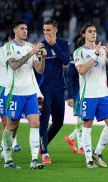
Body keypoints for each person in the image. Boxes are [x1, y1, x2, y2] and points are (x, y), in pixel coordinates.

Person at [1, 20, 46, 169]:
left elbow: (39, 70)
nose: (25, 31)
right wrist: (31, 53)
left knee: (35, 123)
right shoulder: (9, 47)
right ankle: (7, 158)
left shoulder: (29, 46)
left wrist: (43, 58)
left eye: (26, 28)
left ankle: (34, 160)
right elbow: (14, 66)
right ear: (14, 30)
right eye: (22, 28)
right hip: (15, 93)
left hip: (30, 93)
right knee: (12, 125)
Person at [73, 23, 108, 168]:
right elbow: (81, 70)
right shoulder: (79, 52)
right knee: (87, 125)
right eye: (90, 31)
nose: (93, 33)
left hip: (103, 94)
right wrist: (95, 54)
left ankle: (97, 152)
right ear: (83, 35)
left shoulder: (103, 51)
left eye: (94, 31)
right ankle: (88, 160)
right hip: (88, 95)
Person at [37, 19, 71, 165]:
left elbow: (65, 61)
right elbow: (37, 69)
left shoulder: (63, 44)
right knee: (43, 122)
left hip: (58, 88)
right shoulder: (39, 46)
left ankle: (42, 144)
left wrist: (54, 45)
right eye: (44, 30)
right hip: (44, 89)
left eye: (49, 30)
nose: (46, 33)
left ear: (55, 30)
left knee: (58, 122)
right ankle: (45, 153)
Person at [64, 52, 84, 155]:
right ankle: (81, 147)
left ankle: (71, 138)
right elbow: (69, 79)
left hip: (89, 93)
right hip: (78, 93)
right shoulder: (74, 60)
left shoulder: (92, 56)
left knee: (86, 120)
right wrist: (70, 96)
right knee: (81, 119)